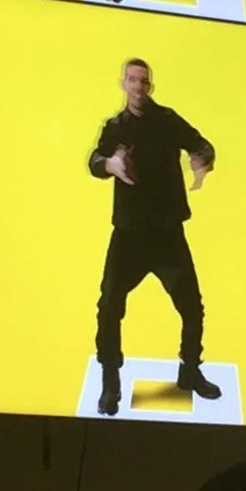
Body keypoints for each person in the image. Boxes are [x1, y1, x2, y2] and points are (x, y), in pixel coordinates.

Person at [88, 55, 220, 417]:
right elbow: (94, 161)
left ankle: (190, 371)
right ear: (123, 83)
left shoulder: (166, 120)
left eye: (143, 81)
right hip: (129, 236)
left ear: (150, 86)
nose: (138, 86)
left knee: (192, 307)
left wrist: (202, 160)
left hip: (166, 235)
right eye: (132, 79)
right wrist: (110, 164)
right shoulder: (115, 126)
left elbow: (201, 143)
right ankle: (110, 380)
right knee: (109, 306)